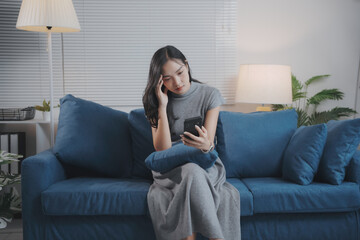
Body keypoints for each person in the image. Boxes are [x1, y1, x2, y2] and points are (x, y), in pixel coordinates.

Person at [143, 45, 241, 240]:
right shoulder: (155, 101)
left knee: (193, 170)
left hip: (204, 164)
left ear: (187, 65)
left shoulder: (210, 95)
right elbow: (162, 149)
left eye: (180, 72)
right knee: (190, 172)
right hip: (170, 167)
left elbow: (209, 143)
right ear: (160, 81)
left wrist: (206, 145)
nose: (177, 82)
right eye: (168, 78)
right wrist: (162, 106)